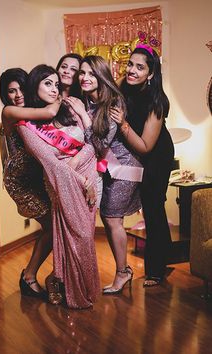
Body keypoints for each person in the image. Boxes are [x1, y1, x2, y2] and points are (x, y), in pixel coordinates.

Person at [17, 64, 100, 309]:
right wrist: (80, 180)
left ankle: (78, 287)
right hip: (63, 182)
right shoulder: (27, 124)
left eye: (56, 83)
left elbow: (93, 144)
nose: (55, 89)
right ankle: (66, 286)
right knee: (73, 236)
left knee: (86, 237)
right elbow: (49, 162)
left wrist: (81, 170)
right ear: (35, 86)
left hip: (86, 174)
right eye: (47, 83)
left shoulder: (68, 110)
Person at [66, 55, 143, 295]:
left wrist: (84, 115)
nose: (85, 78)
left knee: (112, 220)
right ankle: (123, 271)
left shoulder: (113, 103)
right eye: (83, 73)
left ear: (101, 77)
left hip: (123, 167)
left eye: (91, 74)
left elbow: (100, 143)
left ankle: (123, 272)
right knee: (110, 220)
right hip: (105, 170)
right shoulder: (87, 100)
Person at [111, 44, 174, 287]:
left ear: (150, 74)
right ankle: (166, 252)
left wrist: (123, 123)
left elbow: (146, 146)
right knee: (152, 207)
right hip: (134, 150)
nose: (132, 70)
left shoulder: (157, 100)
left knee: (152, 207)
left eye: (140, 67)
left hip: (157, 156)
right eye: (130, 64)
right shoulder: (123, 86)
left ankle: (156, 270)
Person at [0, 68, 61, 298]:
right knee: (52, 227)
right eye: (10, 91)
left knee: (53, 226)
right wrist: (62, 93)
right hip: (20, 182)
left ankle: (34, 275)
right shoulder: (10, 111)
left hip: (36, 178)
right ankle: (29, 276)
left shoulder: (28, 109)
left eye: (20, 89)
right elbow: (49, 111)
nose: (17, 95)